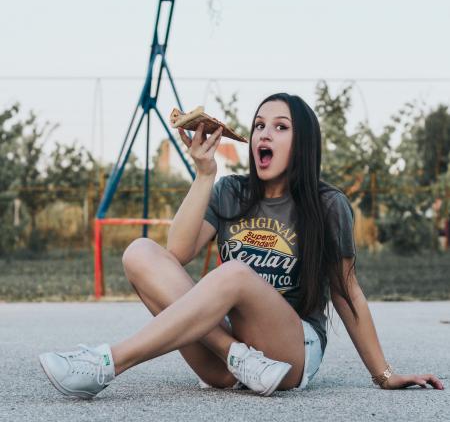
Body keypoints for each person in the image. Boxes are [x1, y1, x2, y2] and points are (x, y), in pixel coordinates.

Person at [39, 93, 445, 398]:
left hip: (288, 353)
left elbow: (346, 291)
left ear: (302, 143)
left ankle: (107, 364)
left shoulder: (327, 204)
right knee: (139, 252)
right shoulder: (230, 191)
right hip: (231, 364)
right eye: (259, 125)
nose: (264, 134)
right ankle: (234, 354)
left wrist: (384, 374)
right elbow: (175, 254)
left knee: (233, 273)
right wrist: (204, 175)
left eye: (280, 127)